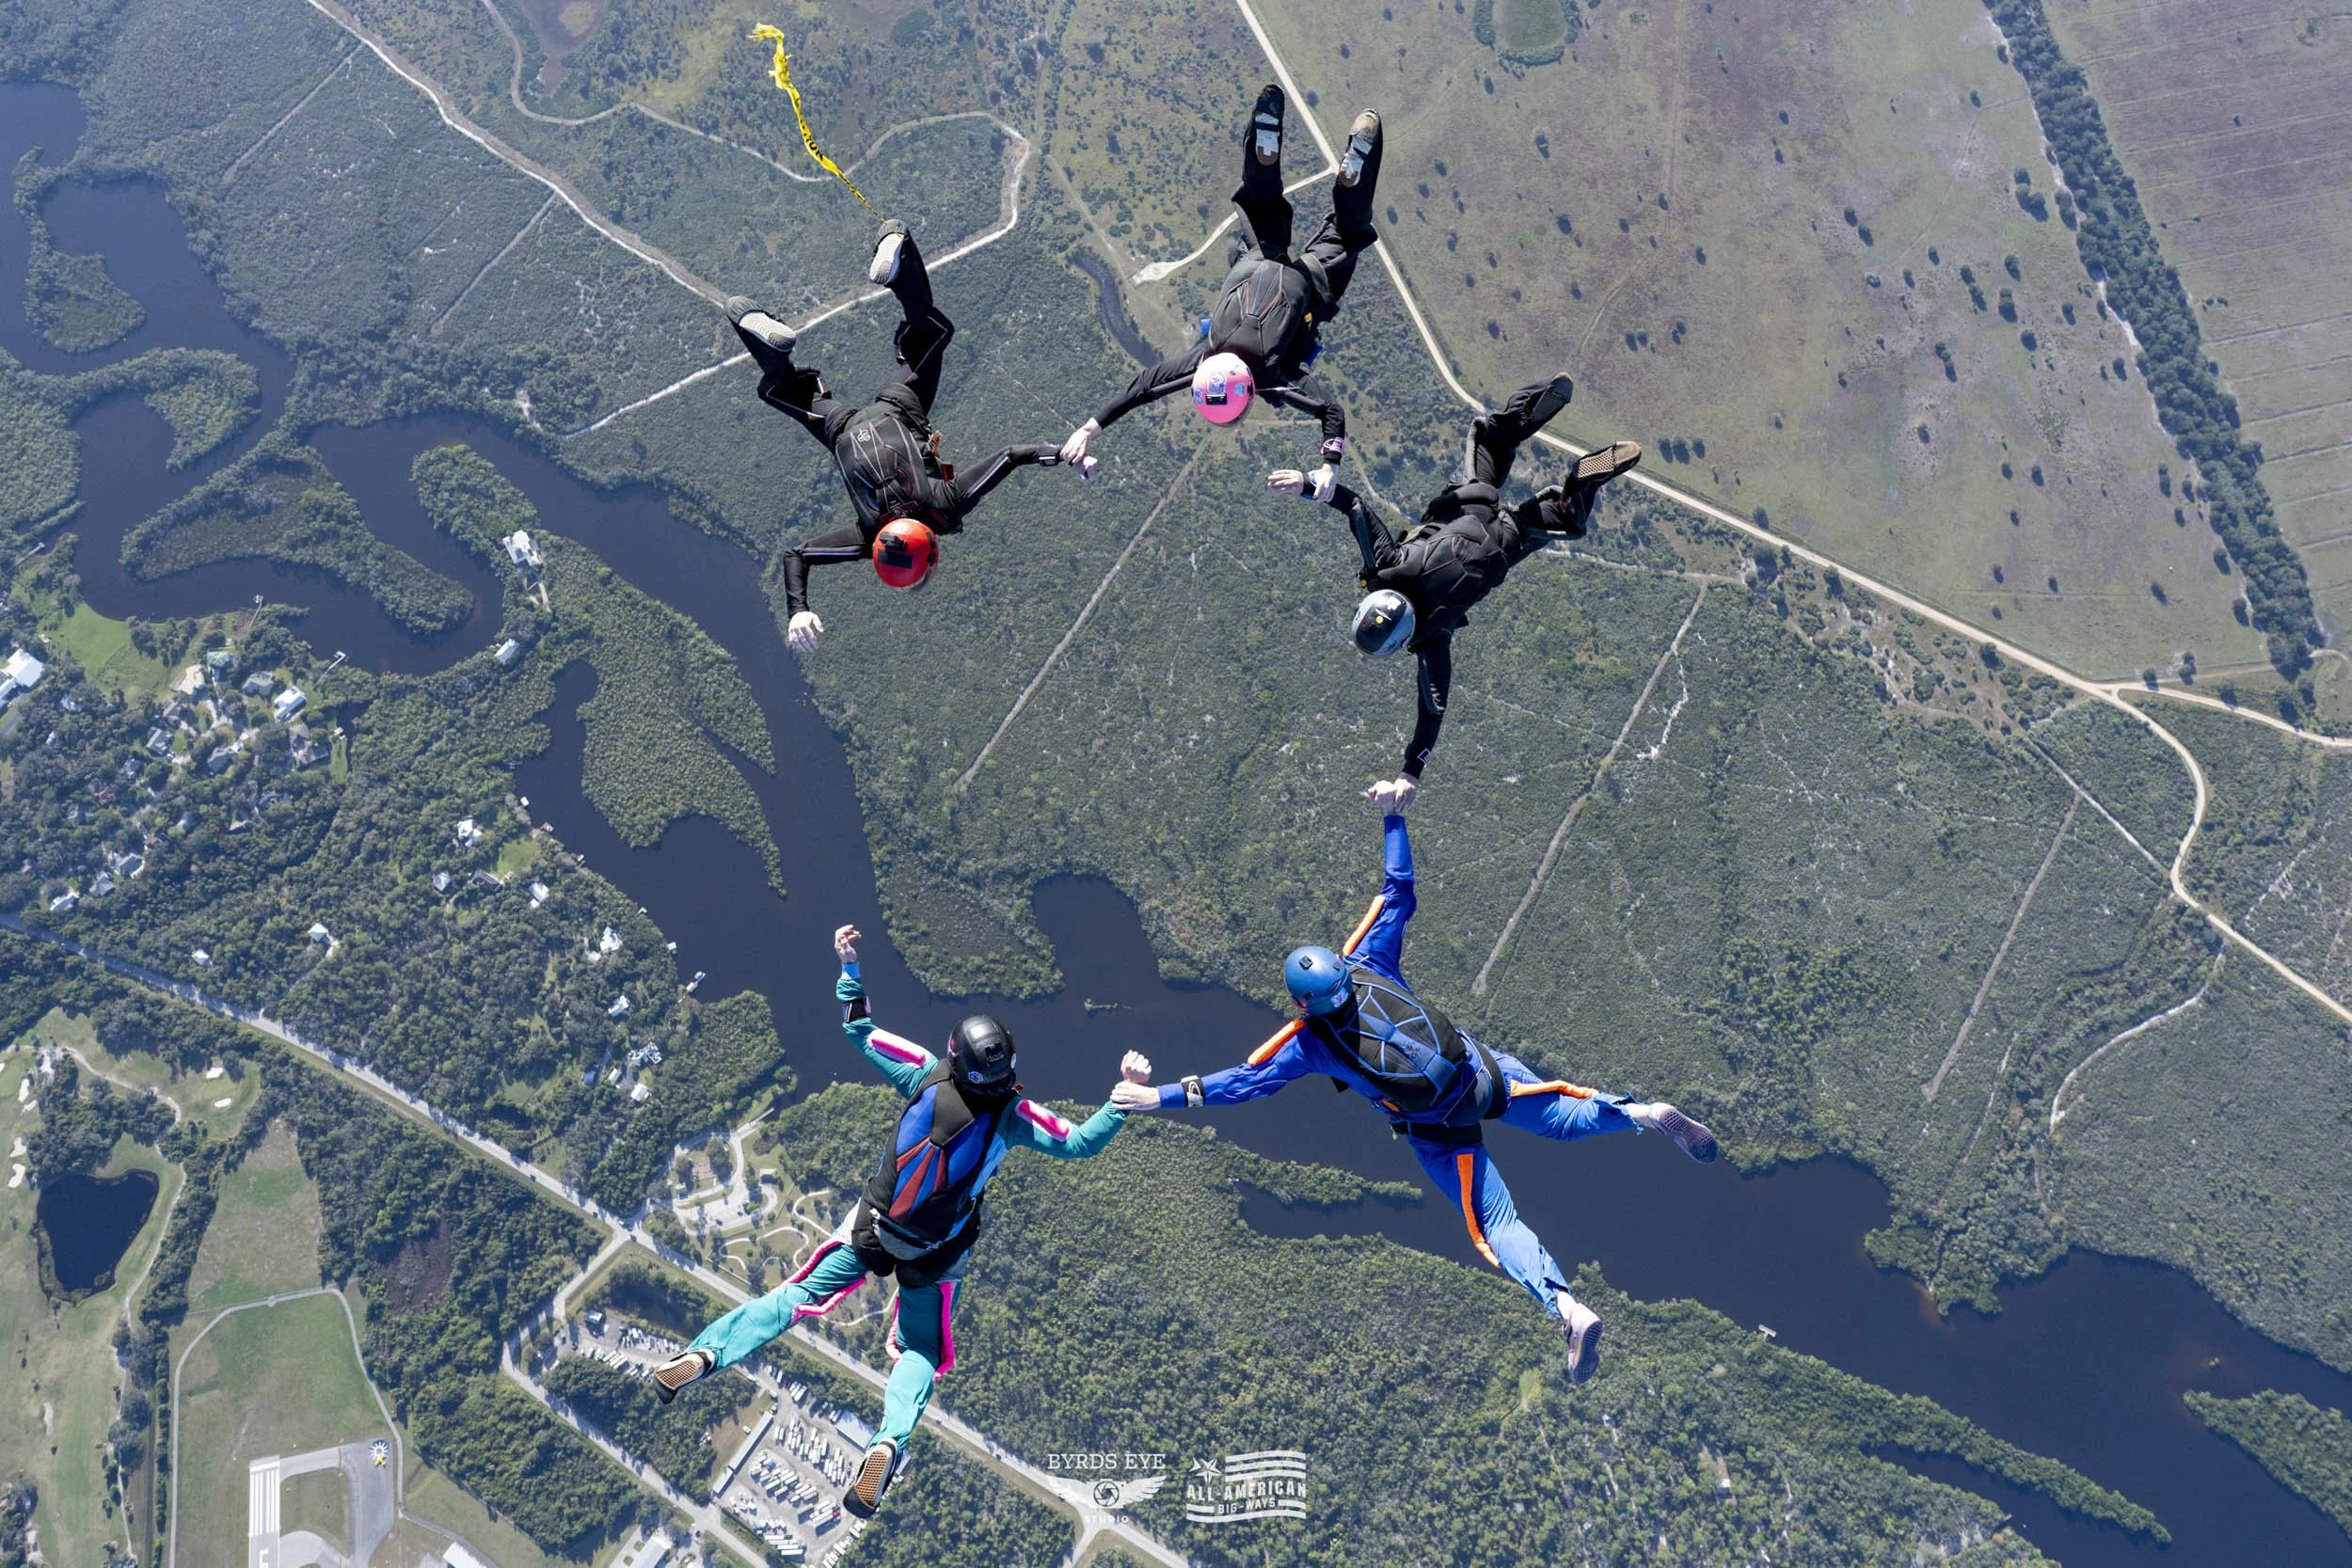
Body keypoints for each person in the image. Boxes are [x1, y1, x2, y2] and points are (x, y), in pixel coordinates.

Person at [1110, 786, 1715, 1384]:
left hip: (1436, 1130)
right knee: (1562, 1114)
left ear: (1301, 1002)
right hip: (1480, 1073)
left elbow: (1241, 1084)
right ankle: (1640, 1113)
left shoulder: (1307, 1043)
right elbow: (1398, 891)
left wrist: (1152, 1096)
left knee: (1497, 1224)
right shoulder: (1366, 959)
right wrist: (1393, 815)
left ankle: (1568, 1309)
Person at [653, 923, 1150, 1516]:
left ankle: (707, 1356)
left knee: (794, 1298)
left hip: (874, 1223)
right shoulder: (1015, 1117)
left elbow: (859, 1030)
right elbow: (1079, 1143)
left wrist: (851, 969)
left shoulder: (923, 1071)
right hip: (934, 1253)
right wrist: (1123, 1094)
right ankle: (886, 1442)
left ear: (954, 1056)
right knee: (918, 1349)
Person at [1267, 373, 1643, 800]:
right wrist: (1308, 484)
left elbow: (1433, 709)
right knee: (1489, 439)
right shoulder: (1387, 567)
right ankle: (1531, 409)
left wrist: (1412, 771)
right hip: (1467, 504)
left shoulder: (1432, 639)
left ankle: (1579, 484)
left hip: (1502, 545)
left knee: (1566, 522)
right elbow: (1355, 508)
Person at [727, 223, 1072, 653]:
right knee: (788, 392)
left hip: (898, 409)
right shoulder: (869, 538)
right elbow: (798, 555)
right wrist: (798, 608)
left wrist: (1061, 455)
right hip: (844, 432)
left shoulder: (946, 507)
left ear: (931, 552)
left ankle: (899, 256)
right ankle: (767, 349)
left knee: (931, 335)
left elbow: (1011, 456)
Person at [1058, 84, 1383, 478]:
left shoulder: (1273, 380)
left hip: (1306, 288)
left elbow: (1331, 411)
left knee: (1348, 234)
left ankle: (1353, 177)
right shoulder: (1202, 359)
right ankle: (1264, 152)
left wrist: (1328, 466)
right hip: (1254, 262)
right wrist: (1090, 427)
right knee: (1260, 203)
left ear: (1246, 397)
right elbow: (1143, 387)